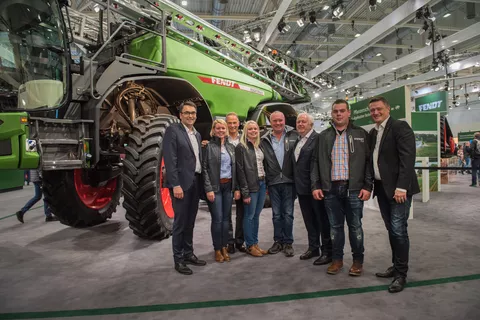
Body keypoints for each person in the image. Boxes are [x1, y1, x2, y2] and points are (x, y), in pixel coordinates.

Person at [311, 99, 373, 276]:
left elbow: (368, 162)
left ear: (349, 113)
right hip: (330, 189)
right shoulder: (323, 136)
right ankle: (337, 260)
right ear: (332, 113)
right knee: (335, 227)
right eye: (335, 111)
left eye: (342, 111)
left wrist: (368, 186)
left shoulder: (360, 134)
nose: (339, 114)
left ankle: (357, 261)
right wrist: (316, 185)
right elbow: (315, 162)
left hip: (353, 189)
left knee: (355, 227)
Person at [368, 96, 420, 293]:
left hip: (398, 190)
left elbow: (408, 159)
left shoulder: (400, 127)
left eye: (379, 109)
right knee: (392, 230)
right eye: (372, 110)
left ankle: (401, 274)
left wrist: (402, 188)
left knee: (399, 230)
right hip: (382, 189)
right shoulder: (374, 133)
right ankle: (396, 266)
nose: (375, 113)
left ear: (388, 109)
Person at [164, 101, 206, 275]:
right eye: (187, 113)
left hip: (195, 182)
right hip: (181, 184)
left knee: (190, 222)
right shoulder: (173, 131)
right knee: (180, 224)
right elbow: (170, 160)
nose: (191, 116)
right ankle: (178, 259)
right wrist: (175, 185)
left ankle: (189, 254)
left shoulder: (196, 134)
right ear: (180, 115)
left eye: (193, 113)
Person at [293, 113, 332, 265]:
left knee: (322, 221)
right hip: (302, 189)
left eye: (303, 122)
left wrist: (318, 185)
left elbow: (320, 163)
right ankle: (313, 247)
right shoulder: (299, 140)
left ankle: (327, 251)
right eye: (298, 122)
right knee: (309, 221)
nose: (300, 124)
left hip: (316, 188)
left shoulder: (318, 139)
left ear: (311, 124)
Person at [260, 111, 298, 257]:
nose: (278, 123)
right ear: (270, 122)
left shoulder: (294, 135)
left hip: (289, 181)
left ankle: (288, 242)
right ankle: (278, 241)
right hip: (274, 182)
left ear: (284, 120)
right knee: (276, 215)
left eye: (280, 120)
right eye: (274, 121)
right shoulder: (265, 140)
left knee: (288, 214)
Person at [203, 119, 238, 263]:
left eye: (223, 128)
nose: (221, 131)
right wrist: (208, 189)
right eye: (218, 128)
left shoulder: (231, 147)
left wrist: (235, 188)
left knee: (225, 220)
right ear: (213, 130)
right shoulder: (208, 146)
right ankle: (217, 249)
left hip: (228, 187)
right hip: (215, 188)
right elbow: (204, 169)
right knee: (217, 220)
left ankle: (224, 247)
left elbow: (234, 168)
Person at [236, 120, 268, 257]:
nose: (253, 131)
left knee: (256, 216)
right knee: (249, 216)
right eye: (250, 129)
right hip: (251, 186)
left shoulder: (259, 146)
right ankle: (249, 245)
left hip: (262, 184)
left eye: (255, 129)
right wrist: (245, 192)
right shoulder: (241, 147)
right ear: (245, 131)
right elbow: (240, 171)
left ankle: (255, 243)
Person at [225, 112, 247, 254]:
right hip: (226, 181)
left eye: (234, 123)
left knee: (242, 213)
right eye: (229, 123)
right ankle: (229, 242)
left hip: (242, 181)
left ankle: (240, 241)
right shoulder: (221, 139)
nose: (232, 126)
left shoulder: (244, 140)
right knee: (226, 214)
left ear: (238, 123)